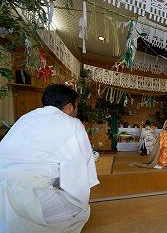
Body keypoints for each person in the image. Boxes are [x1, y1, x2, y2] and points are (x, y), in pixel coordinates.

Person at [0, 84, 99, 233]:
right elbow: (78, 171)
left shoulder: (25, 118)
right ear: (69, 107)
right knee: (82, 210)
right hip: (29, 198)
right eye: (76, 107)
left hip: (3, 186)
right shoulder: (73, 124)